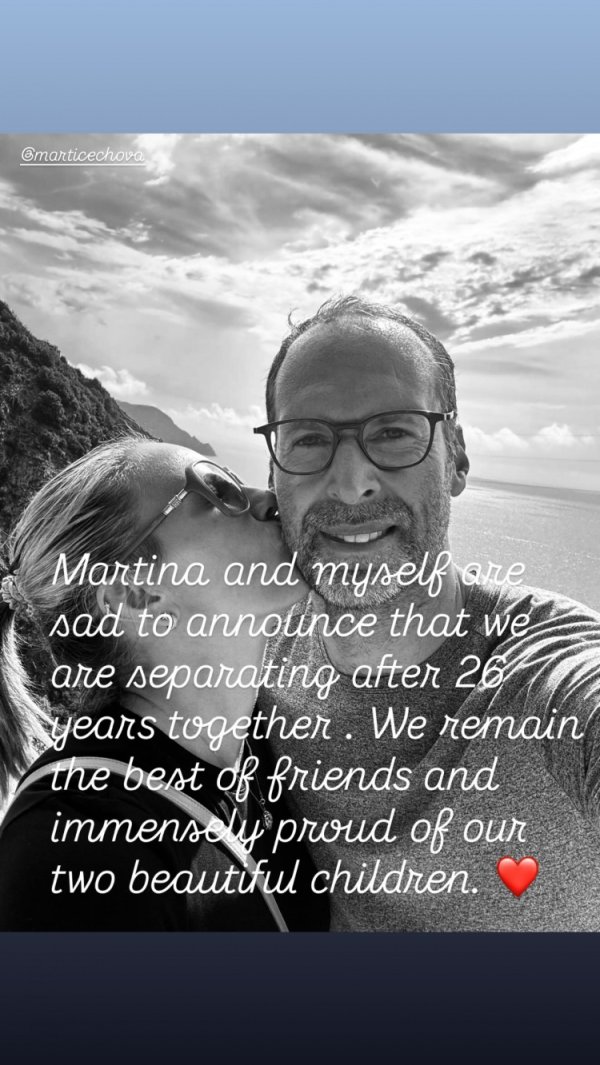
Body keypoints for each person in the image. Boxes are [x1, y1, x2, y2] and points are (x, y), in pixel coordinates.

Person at [253, 294, 600, 932]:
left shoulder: (541, 671)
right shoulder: (260, 648)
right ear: (274, 470)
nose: (350, 482)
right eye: (308, 439)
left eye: (393, 432)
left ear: (456, 458)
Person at [0, 436, 327, 930]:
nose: (270, 497)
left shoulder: (265, 742)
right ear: (136, 593)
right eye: (218, 491)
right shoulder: (76, 848)